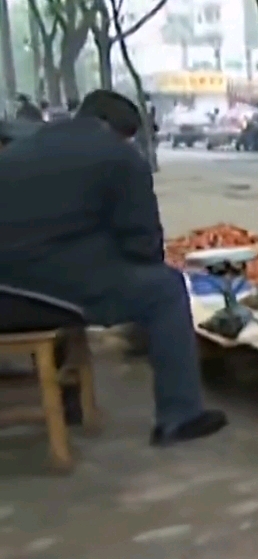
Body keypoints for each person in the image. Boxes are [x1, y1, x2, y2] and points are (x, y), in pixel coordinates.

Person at [0, 89, 227, 446]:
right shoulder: (120, 156)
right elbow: (143, 243)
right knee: (165, 289)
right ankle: (179, 416)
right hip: (49, 292)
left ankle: (69, 401)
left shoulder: (21, 147)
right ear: (121, 131)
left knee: (64, 268)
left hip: (8, 297)